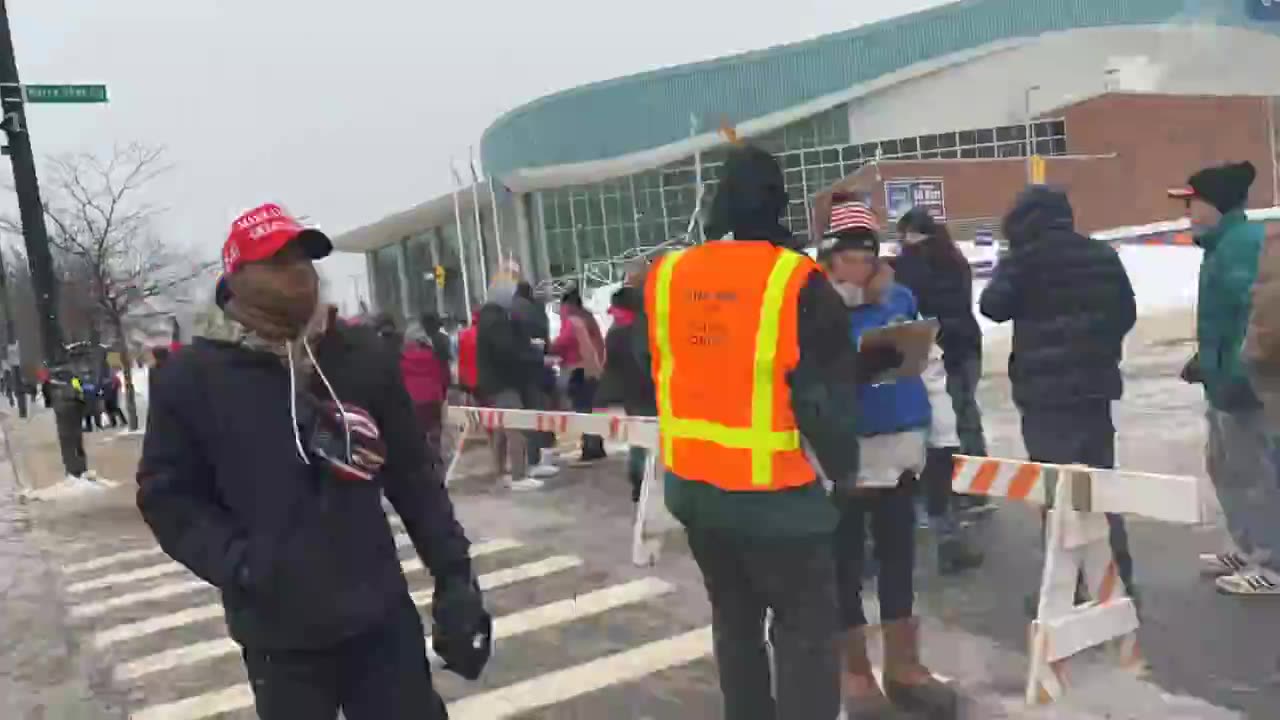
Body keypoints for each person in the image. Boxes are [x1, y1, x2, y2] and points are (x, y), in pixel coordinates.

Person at [137, 204, 490, 719]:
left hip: (379, 617)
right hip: (279, 635)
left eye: (304, 258)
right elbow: (168, 497)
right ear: (239, 277)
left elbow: (414, 478)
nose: (298, 274)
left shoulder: (358, 355)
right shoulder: (193, 378)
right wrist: (241, 562)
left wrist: (456, 578)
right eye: (278, 261)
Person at [640, 144, 871, 720]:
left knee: (735, 625)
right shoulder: (796, 281)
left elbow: (693, 370)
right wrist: (844, 479)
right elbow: (825, 402)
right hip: (779, 503)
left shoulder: (667, 279)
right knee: (804, 640)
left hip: (696, 494)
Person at [820, 198, 959, 718]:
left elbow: (932, 367)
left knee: (900, 559)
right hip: (845, 457)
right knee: (846, 565)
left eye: (868, 253)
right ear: (831, 257)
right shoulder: (815, 308)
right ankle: (854, 671)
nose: (860, 263)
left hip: (901, 451)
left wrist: (943, 438)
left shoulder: (900, 298)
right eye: (850, 253)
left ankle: (904, 665)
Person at [980, 185, 1139, 605]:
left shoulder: (1024, 260)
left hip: (1044, 394)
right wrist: (1097, 350)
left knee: (1058, 491)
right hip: (1094, 389)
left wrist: (1007, 261)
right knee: (1099, 483)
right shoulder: (1101, 255)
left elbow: (992, 305)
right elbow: (1126, 313)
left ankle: (1066, 588)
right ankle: (1118, 580)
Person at [1180, 162, 1280, 595]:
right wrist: (1205, 360)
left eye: (1193, 202)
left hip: (1243, 386)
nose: (1188, 211)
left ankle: (1270, 563)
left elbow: (1254, 317)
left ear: (1214, 205)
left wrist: (1239, 371)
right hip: (1222, 381)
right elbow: (1224, 321)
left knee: (1253, 474)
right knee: (1224, 466)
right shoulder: (1221, 245)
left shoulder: (1241, 245)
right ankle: (1247, 545)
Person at [892, 208, 987, 573]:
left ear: (913, 234)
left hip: (940, 350)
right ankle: (974, 481)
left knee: (944, 424)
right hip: (967, 347)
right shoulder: (955, 259)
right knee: (966, 415)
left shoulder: (912, 265)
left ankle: (950, 490)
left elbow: (912, 305)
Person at [476, 272, 547, 490]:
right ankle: (519, 475)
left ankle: (501, 472)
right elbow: (507, 351)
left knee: (501, 428)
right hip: (503, 382)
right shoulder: (497, 320)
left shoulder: (489, 318)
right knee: (515, 427)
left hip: (494, 381)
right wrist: (535, 354)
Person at [595, 285, 657, 502]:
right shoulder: (642, 328)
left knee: (639, 439)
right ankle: (642, 482)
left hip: (630, 393)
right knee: (647, 440)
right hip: (647, 390)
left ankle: (638, 482)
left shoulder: (616, 330)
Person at [551, 285, 607, 463]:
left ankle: (590, 448)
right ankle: (596, 445)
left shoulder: (572, 317)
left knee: (583, 409)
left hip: (579, 368)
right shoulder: (586, 315)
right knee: (592, 408)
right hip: (593, 367)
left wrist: (548, 348)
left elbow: (566, 340)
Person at [511, 281, 559, 478]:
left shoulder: (513, 310)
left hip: (523, 371)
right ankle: (540, 456)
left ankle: (535, 457)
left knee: (531, 415)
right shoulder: (534, 310)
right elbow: (542, 339)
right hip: (538, 368)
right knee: (540, 411)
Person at [401, 316, 450, 462]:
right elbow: (442, 377)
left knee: (416, 432)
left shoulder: (402, 358)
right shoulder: (432, 356)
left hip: (413, 400)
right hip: (433, 399)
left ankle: (422, 461)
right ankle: (436, 460)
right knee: (435, 429)